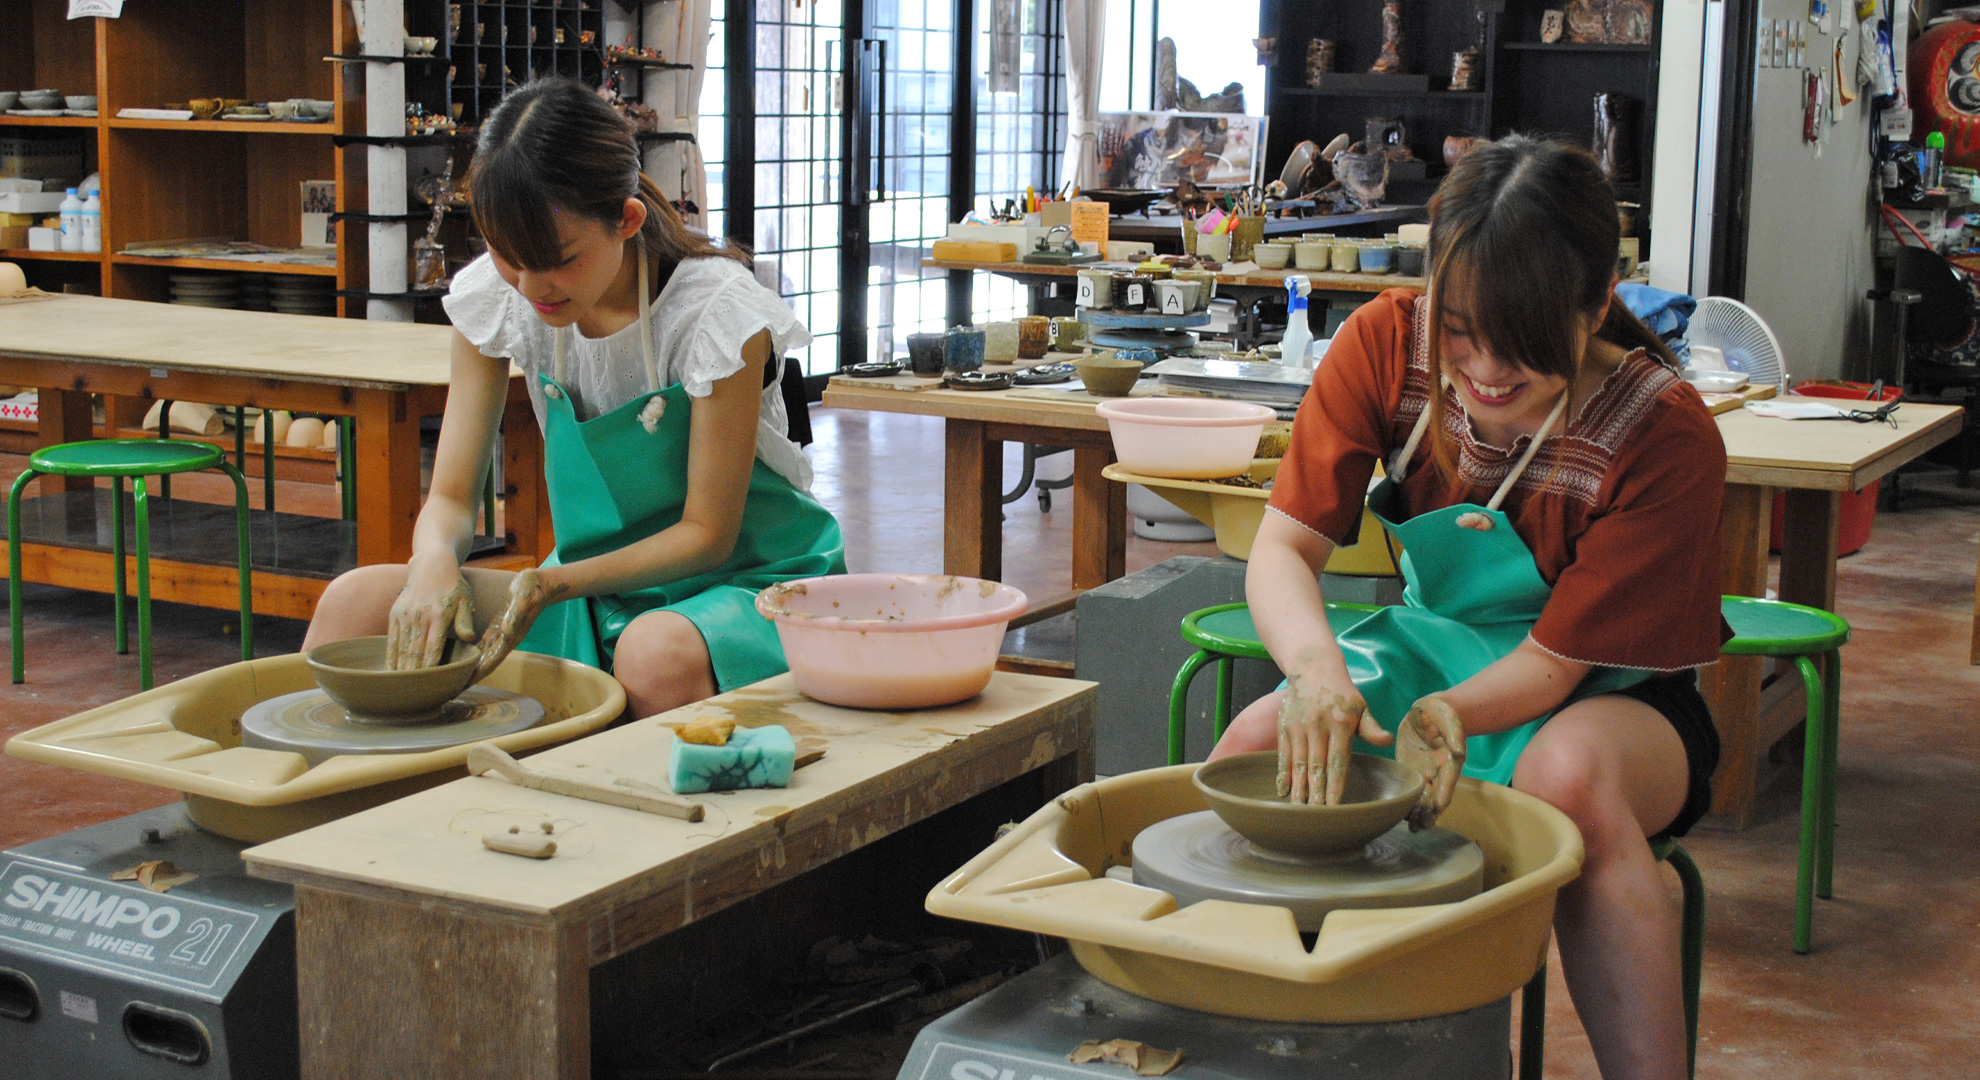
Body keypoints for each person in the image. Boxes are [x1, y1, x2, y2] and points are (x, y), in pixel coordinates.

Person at [1209, 135, 1725, 1080]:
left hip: (1610, 690)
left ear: (1597, 302)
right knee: (1257, 743)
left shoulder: (1662, 429)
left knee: (1566, 783)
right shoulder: (1385, 344)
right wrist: (1318, 677)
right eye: (1461, 330)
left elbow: (1561, 661)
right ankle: (1238, 1052)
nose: (1484, 370)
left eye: (1522, 344)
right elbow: (1284, 547)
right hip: (1433, 650)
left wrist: (1448, 713)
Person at [304, 79, 845, 717]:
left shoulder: (715, 314)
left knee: (652, 651)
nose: (532, 286)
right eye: (509, 256)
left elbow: (706, 537)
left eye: (557, 259)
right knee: (355, 603)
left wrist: (554, 582)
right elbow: (451, 498)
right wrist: (431, 565)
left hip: (746, 585)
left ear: (627, 219)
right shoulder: (500, 298)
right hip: (590, 589)